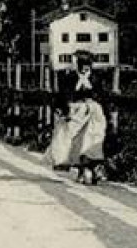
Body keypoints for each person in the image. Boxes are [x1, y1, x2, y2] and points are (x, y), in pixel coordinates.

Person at [46, 51, 108, 184]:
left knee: (92, 138)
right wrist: (64, 109)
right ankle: (80, 168)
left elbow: (102, 96)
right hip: (75, 113)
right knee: (76, 141)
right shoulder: (70, 78)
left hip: (93, 113)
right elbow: (63, 96)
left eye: (88, 66)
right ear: (78, 66)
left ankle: (92, 167)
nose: (86, 69)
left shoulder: (96, 78)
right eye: (83, 66)